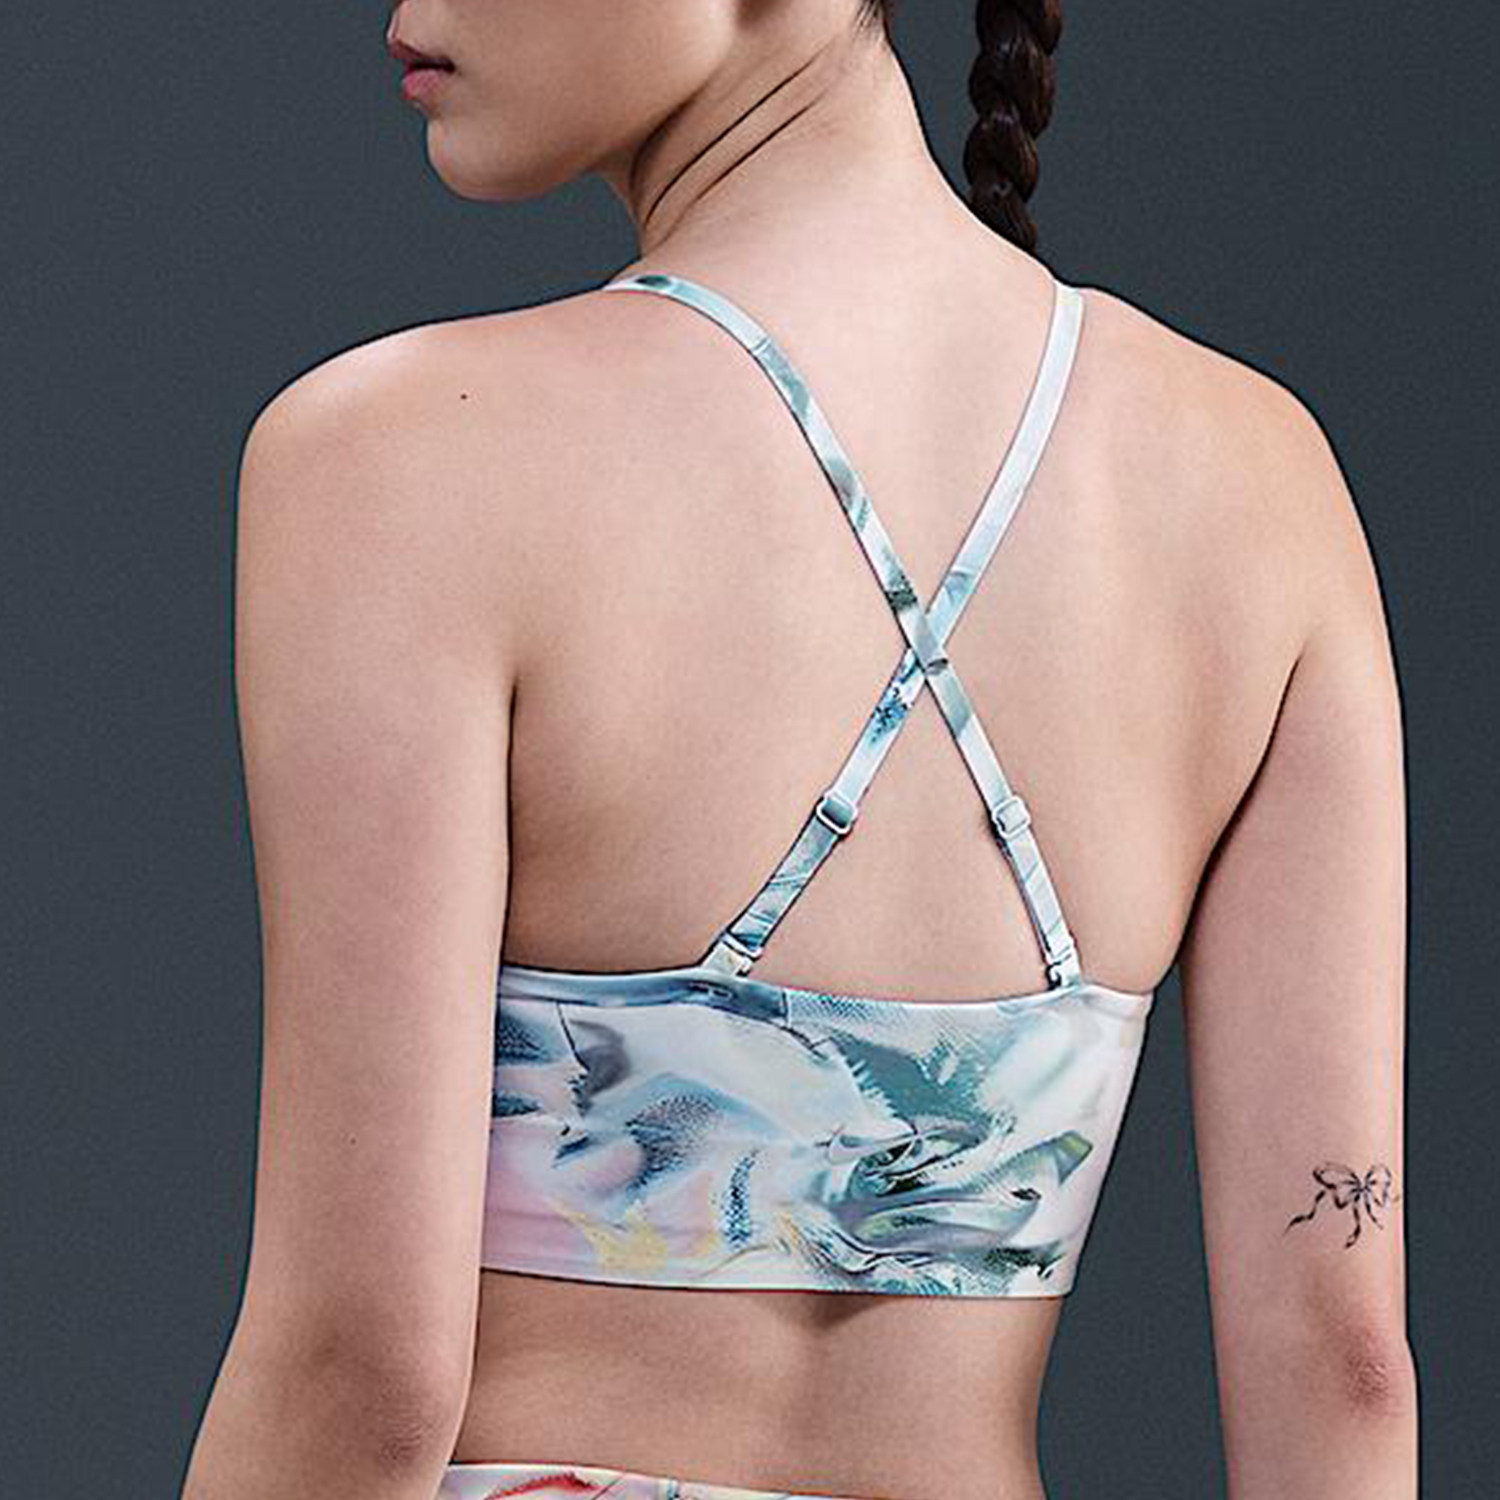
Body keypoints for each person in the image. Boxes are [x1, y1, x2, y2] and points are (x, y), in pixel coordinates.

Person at [180, 3, 1417, 1498]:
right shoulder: (1265, 482)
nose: (408, 12)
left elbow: (359, 1371)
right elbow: (1339, 1359)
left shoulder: (398, 458)